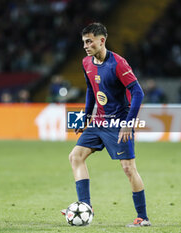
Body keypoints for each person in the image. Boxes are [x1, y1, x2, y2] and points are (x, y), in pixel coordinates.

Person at [61, 22, 150, 227]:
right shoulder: (86, 63)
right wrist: (85, 116)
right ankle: (85, 207)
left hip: (119, 122)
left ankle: (142, 217)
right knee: (76, 156)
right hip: (98, 121)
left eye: (89, 41)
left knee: (128, 168)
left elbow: (138, 92)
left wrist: (128, 124)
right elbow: (91, 89)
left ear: (102, 41)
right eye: (84, 42)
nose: (85, 45)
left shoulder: (118, 63)